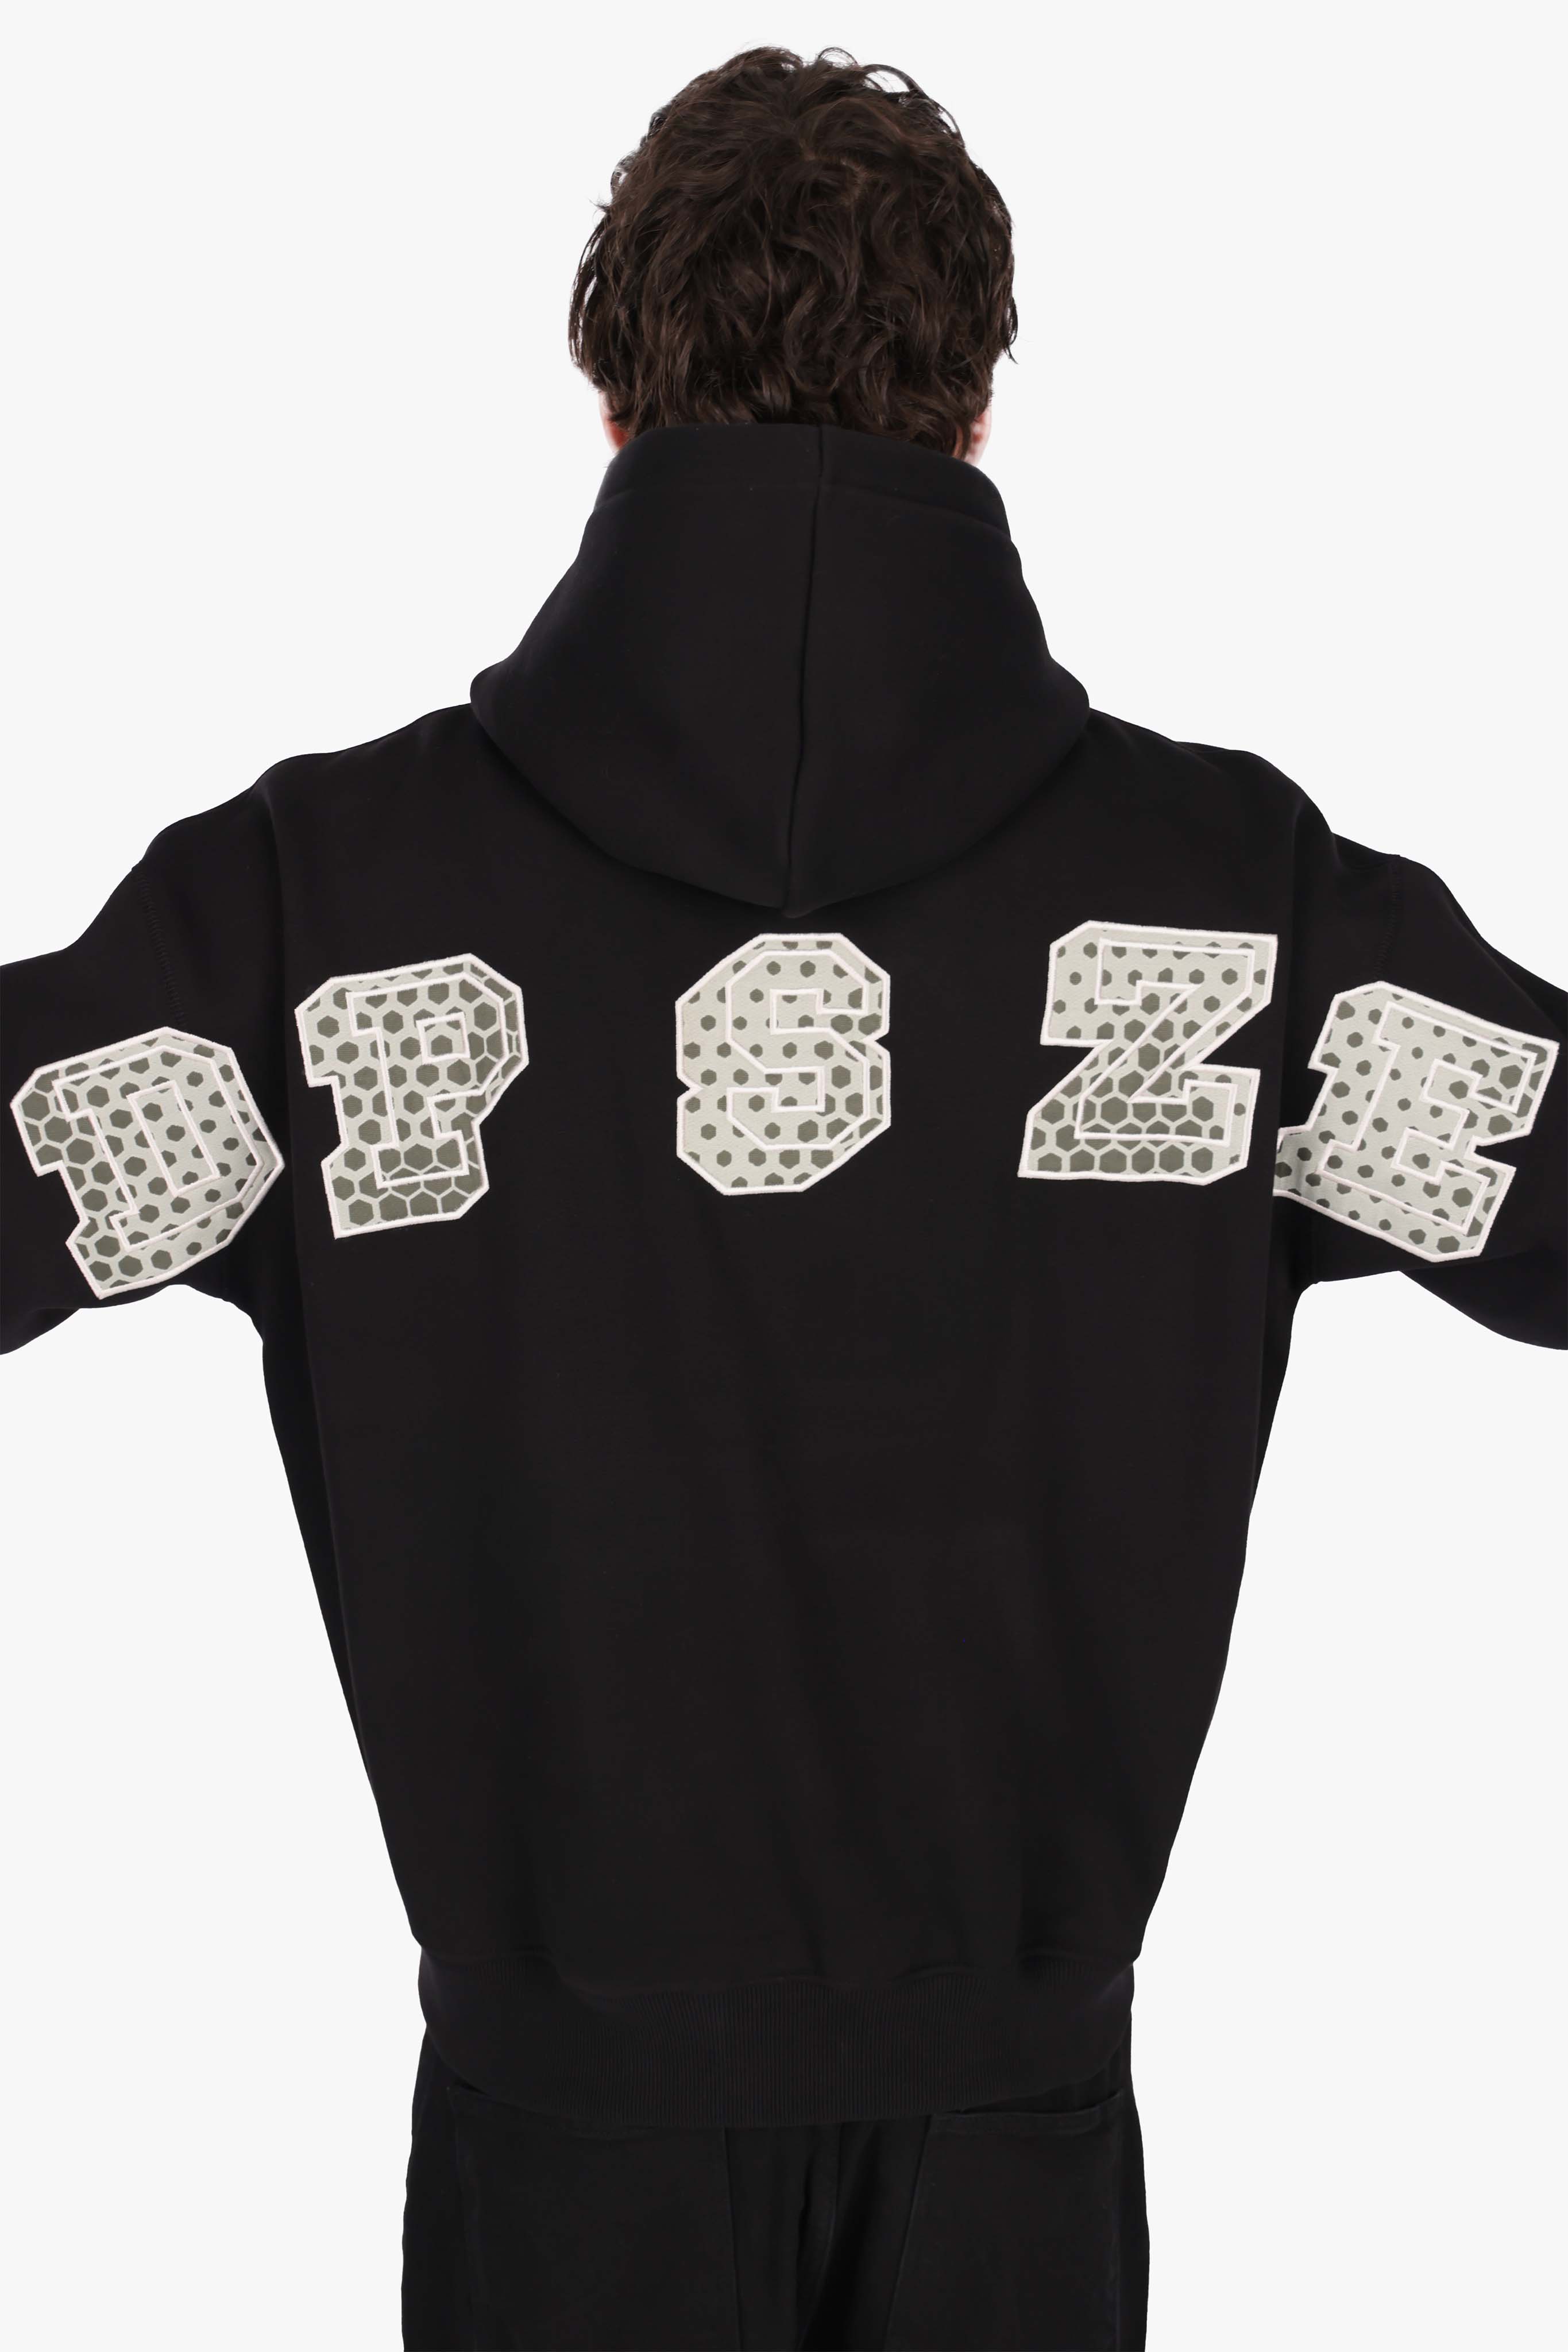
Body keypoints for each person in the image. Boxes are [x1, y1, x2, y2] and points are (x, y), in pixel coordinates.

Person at [2, 43, 1561, 2352]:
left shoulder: (318, 911)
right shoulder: (1233, 909)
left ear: (609, 396)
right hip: (1015, 2165)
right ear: (974, 405)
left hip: (559, 2155)